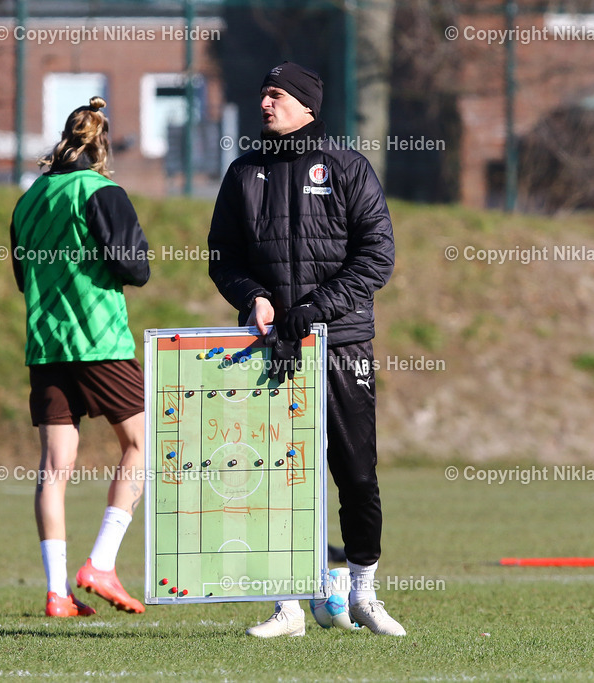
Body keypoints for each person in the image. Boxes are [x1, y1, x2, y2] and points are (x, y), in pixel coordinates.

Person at [207, 62, 405, 637]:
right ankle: (287, 607)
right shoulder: (243, 172)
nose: (264, 104)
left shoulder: (347, 166)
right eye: (262, 94)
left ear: (307, 105)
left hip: (340, 343)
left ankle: (364, 593)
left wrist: (316, 309)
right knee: (275, 477)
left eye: (276, 95)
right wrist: (254, 297)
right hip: (271, 349)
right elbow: (223, 256)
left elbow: (376, 256)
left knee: (356, 475)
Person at [10, 96, 149, 618]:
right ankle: (102, 564)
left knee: (54, 466)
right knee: (143, 444)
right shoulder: (102, 191)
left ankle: (57, 591)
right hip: (99, 341)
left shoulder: (28, 199)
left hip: (46, 345)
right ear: (101, 145)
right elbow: (135, 268)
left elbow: (23, 276)